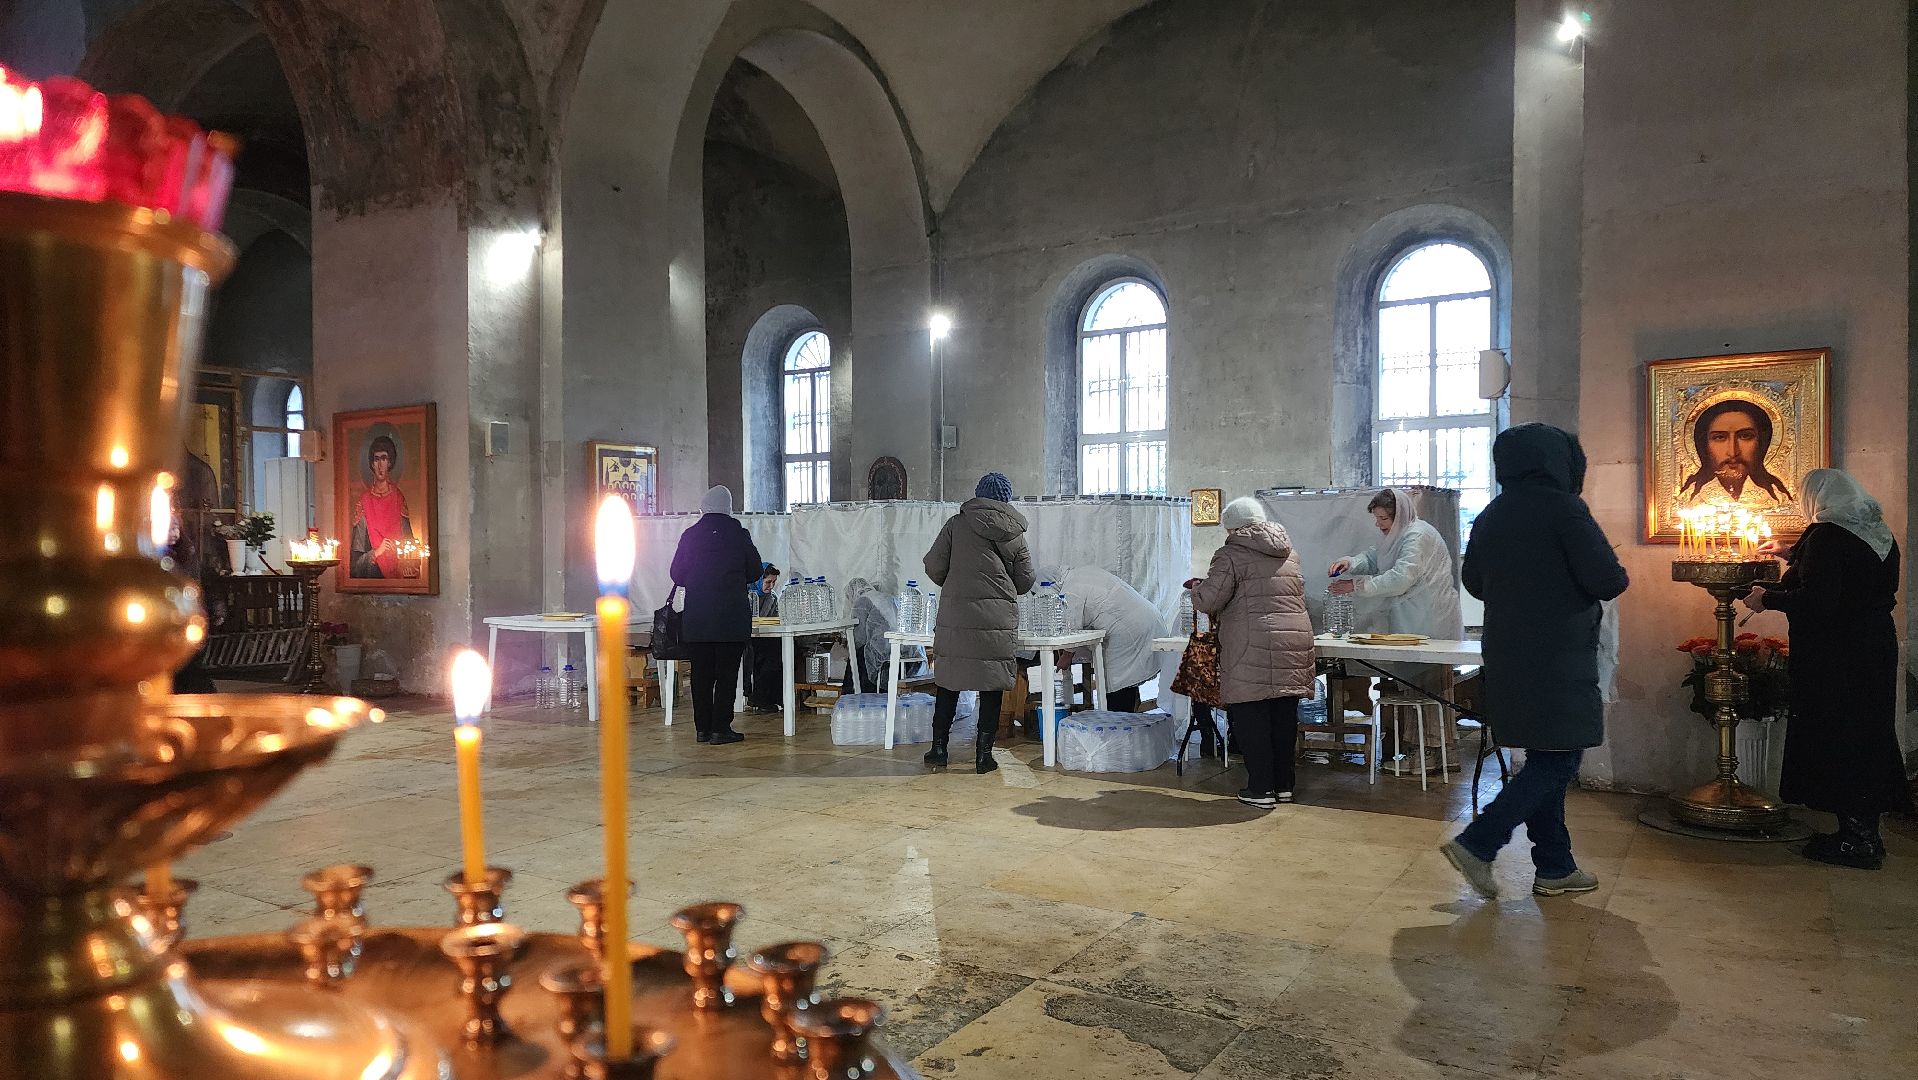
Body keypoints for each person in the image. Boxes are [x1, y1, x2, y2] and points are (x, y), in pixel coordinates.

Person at [1444, 424, 1628, 899]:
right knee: (1561, 757)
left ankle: (1554, 865)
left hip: (1507, 654)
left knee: (1545, 756)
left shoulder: (1492, 514)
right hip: (1559, 655)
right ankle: (1479, 841)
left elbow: (1475, 583)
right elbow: (1608, 580)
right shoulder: (1565, 509)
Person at [1742, 469, 1910, 869]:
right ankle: (1862, 831)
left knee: (1839, 734)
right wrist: (1793, 554)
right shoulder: (1875, 531)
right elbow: (1852, 579)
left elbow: (1819, 600)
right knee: (1866, 733)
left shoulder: (1828, 535)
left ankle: (1857, 841)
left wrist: (1768, 599)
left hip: (1837, 654)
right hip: (1873, 646)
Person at [1186, 498, 1316, 809]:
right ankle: (1284, 786)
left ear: (1234, 527)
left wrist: (1196, 589)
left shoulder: (1230, 554)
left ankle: (1260, 789)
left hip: (1251, 643)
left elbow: (1209, 601)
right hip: (1293, 643)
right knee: (1283, 717)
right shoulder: (1290, 553)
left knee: (1250, 716)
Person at [1329, 488, 1465, 766]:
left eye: (1383, 519)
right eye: (1377, 518)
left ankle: (1431, 750)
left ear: (1399, 515)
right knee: (1416, 686)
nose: (1379, 525)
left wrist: (1355, 585)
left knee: (1429, 687)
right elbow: (1378, 557)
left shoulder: (1418, 535)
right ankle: (1425, 749)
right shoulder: (1401, 534)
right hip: (1414, 618)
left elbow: (1401, 577)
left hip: (1430, 619)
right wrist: (1352, 562)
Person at [923, 472, 1035, 774]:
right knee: (991, 685)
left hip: (957, 616)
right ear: (1006, 499)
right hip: (996, 618)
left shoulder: (956, 525)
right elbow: (1025, 581)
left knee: (949, 683)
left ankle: (938, 749)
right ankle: (983, 756)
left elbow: (933, 567)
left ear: (977, 494)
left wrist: (959, 581)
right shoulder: (1013, 533)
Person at [669, 485, 762, 744]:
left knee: (701, 675)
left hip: (698, 617)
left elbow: (676, 574)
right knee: (726, 675)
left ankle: (702, 729)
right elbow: (755, 571)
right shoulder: (738, 534)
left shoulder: (690, 535)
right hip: (731, 618)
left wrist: (699, 579)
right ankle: (721, 728)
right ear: (729, 508)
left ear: (703, 506)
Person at [1050, 566, 1162, 712]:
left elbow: (1072, 628)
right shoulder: (1081, 572)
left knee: (1119, 684)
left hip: (1129, 631)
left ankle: (1119, 728)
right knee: (1127, 681)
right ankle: (1130, 725)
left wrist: (1066, 655)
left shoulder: (1070, 589)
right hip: (1145, 620)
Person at [1676, 398, 1793, 509]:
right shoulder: (1692, 496)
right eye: (1719, 437)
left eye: (1745, 436)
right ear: (1703, 445)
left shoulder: (1778, 497)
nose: (1732, 452)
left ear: (1762, 443)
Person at [349, 435, 416, 579]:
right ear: (372, 464)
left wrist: (397, 550)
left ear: (390, 462)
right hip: (373, 574)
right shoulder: (364, 501)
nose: (380, 465)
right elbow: (355, 565)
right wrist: (377, 552)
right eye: (376, 459)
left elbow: (409, 548)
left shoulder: (398, 498)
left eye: (384, 459)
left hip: (397, 575)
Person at [743, 564, 782, 714]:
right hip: (747, 637)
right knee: (769, 653)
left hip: (764, 636)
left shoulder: (771, 598)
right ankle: (760, 696)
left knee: (779, 648)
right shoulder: (746, 594)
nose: (771, 586)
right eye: (768, 582)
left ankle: (771, 696)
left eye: (773, 582)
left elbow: (774, 618)